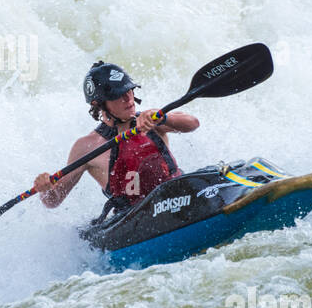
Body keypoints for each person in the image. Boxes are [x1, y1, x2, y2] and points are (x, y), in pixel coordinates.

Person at [32, 61, 199, 217]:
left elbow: (193, 123)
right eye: (118, 95)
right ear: (100, 104)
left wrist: (163, 118)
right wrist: (45, 189)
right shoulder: (87, 147)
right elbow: (53, 201)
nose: (128, 98)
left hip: (177, 196)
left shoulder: (151, 120)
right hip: (135, 217)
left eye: (129, 90)